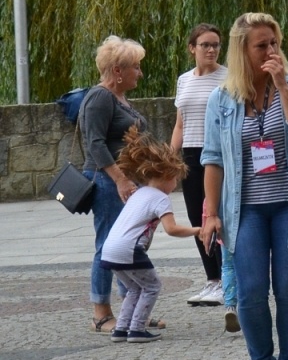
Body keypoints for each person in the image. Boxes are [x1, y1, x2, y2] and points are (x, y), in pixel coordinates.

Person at [201, 12, 288, 360]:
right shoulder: (222, 98)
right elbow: (212, 158)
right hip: (245, 209)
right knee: (251, 290)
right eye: (261, 45)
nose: (271, 51)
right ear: (243, 50)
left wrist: (281, 85)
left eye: (275, 43)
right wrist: (211, 213)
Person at [81, 35, 153, 335]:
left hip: (126, 180)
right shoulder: (100, 97)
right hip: (108, 181)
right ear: (118, 70)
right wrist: (121, 180)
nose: (140, 72)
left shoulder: (120, 98)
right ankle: (101, 312)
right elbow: (94, 144)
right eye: (135, 67)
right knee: (108, 246)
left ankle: (130, 311)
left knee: (126, 244)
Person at [102, 131, 198, 342]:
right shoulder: (160, 199)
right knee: (152, 286)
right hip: (129, 249)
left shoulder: (138, 193)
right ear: (167, 176)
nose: (175, 186)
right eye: (176, 180)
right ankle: (136, 329)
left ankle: (121, 329)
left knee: (134, 288)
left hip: (109, 250)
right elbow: (172, 229)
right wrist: (197, 230)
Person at [172, 23, 227, 308]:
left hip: (217, 154)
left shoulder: (228, 77)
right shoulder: (184, 80)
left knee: (216, 215)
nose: (211, 49)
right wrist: (171, 157)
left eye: (216, 44)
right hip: (191, 154)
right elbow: (181, 122)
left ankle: (227, 278)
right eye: (205, 44)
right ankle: (212, 279)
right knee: (197, 218)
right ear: (192, 48)